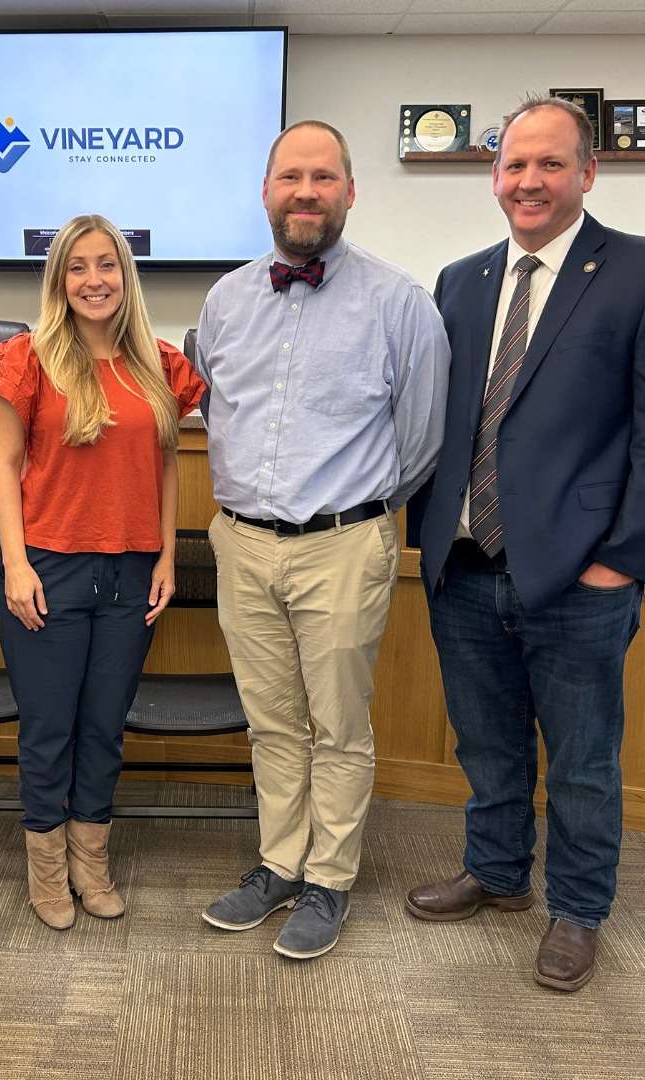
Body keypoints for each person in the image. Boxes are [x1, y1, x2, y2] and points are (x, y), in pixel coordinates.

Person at [405, 97, 645, 993]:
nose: (529, 181)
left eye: (550, 164)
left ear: (590, 172)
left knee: (582, 762)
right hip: (466, 565)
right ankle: (498, 873)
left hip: (582, 577)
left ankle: (578, 912)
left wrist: (620, 558)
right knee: (487, 742)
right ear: (493, 175)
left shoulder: (632, 272)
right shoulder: (459, 280)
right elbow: (442, 422)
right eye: (514, 165)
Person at [196, 122, 451, 959]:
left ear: (349, 191)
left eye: (323, 177)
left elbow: (419, 443)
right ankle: (278, 863)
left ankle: (329, 879)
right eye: (289, 176)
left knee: (337, 724)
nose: (305, 192)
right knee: (272, 721)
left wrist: (357, 519)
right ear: (266, 189)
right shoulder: (225, 300)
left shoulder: (399, 303)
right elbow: (215, 416)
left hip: (343, 544)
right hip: (241, 542)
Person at [0, 214, 204, 930]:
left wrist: (165, 554)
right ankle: (46, 871)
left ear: (125, 277)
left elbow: (164, 463)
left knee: (104, 727)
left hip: (131, 571)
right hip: (48, 566)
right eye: (78, 267)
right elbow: (3, 465)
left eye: (107, 265)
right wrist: (14, 564)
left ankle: (90, 863)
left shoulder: (158, 363)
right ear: (58, 278)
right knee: (49, 730)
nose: (94, 280)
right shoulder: (25, 358)